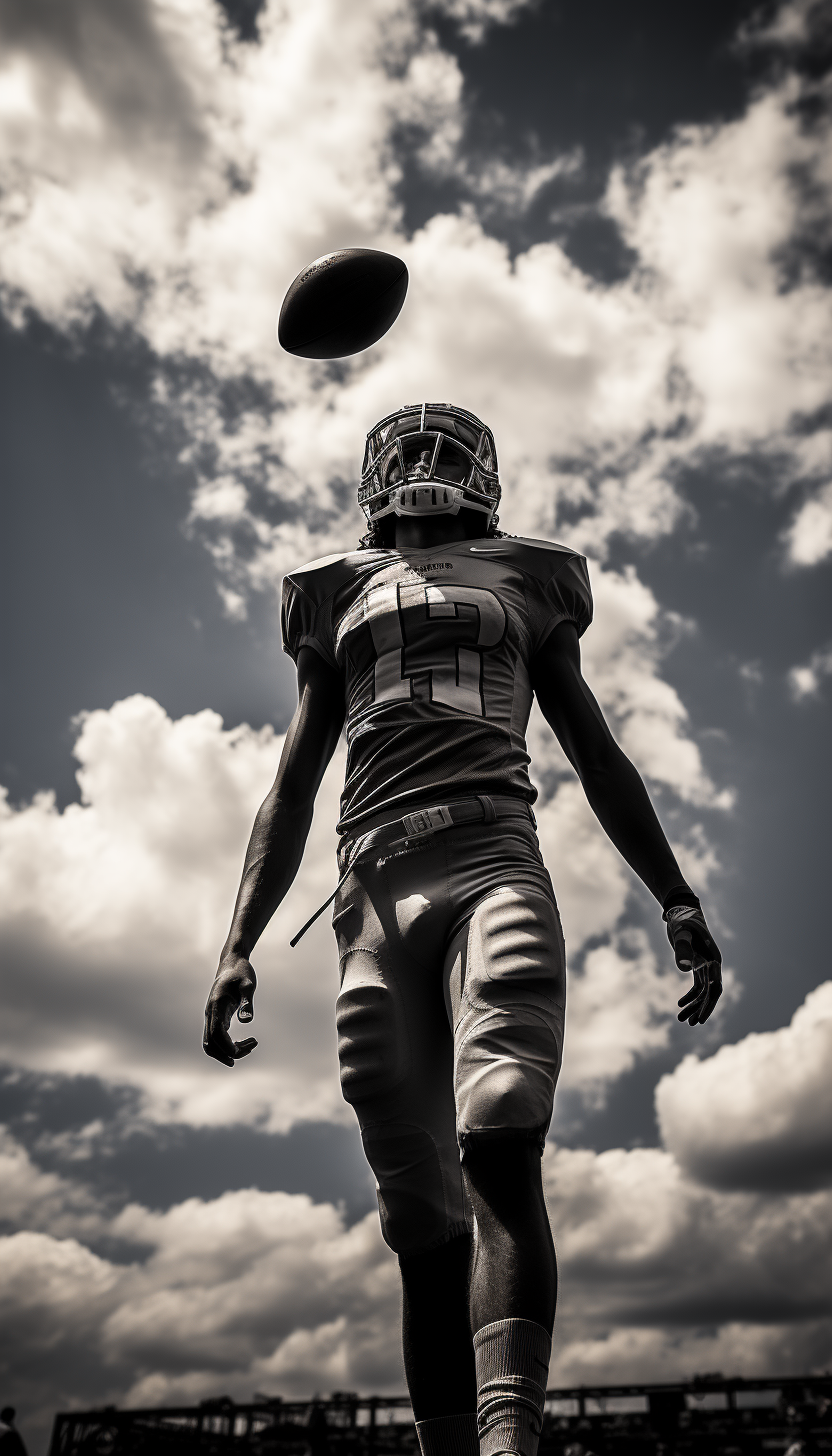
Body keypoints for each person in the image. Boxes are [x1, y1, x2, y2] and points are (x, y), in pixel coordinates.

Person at [203, 404, 722, 1456]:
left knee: (499, 1127)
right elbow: (293, 782)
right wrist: (235, 941)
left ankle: (506, 1442)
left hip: (491, 857)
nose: (427, 464)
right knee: (417, 1214)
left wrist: (675, 895)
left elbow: (595, 746)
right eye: (408, 448)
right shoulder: (331, 589)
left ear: (487, 474)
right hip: (371, 887)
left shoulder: (530, 576)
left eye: (448, 449)